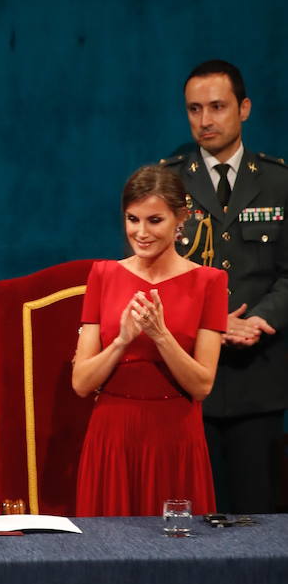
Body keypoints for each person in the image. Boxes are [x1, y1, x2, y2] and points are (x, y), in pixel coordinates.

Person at [160, 59, 288, 513]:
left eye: (217, 107)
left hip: (260, 375)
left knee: (260, 519)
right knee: (192, 520)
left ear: (244, 108)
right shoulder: (169, 181)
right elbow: (154, 272)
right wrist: (212, 323)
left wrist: (260, 319)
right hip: (190, 378)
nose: (205, 120)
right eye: (194, 109)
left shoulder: (278, 181)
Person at [73, 165, 228, 517]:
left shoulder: (210, 282)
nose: (140, 232)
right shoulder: (103, 274)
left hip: (175, 438)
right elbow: (81, 383)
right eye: (132, 219)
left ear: (180, 219)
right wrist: (121, 342)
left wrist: (160, 335)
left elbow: (202, 385)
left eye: (154, 221)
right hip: (112, 438)